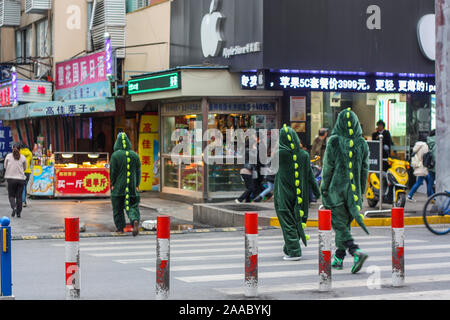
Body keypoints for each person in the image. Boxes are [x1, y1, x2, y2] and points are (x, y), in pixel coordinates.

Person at [321, 108, 370, 274]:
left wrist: (324, 190)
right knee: (345, 225)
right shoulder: (362, 143)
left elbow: (328, 169)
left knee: (339, 225)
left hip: (336, 192)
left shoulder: (333, 141)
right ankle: (339, 258)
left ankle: (355, 251)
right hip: (354, 193)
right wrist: (360, 194)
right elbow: (364, 171)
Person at [274, 124, 320, 261]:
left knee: (287, 221)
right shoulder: (304, 155)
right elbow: (311, 177)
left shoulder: (279, 155)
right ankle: (289, 247)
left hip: (283, 195)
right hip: (301, 196)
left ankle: (294, 251)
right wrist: (317, 193)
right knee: (297, 221)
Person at [110, 132, 141, 236]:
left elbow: (113, 172)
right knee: (132, 205)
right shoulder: (135, 155)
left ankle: (120, 228)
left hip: (118, 187)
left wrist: (113, 183)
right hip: (132, 187)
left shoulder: (115, 155)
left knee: (117, 208)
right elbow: (138, 171)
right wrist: (137, 184)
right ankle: (134, 220)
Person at [4, 143, 27, 218]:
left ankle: (14, 207)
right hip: (21, 179)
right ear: (20, 150)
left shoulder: (8, 156)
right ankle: (18, 213)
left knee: (11, 196)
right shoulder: (23, 157)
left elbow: (5, 166)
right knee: (19, 197)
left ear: (12, 148)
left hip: (10, 179)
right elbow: (25, 168)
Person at [19, 142, 33, 207]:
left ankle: (23, 201)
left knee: (22, 187)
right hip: (28, 172)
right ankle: (24, 201)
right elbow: (31, 163)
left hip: (21, 171)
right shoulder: (30, 153)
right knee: (24, 186)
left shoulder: (19, 153)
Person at [426, 130, 436, 195]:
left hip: (429, 164)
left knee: (430, 181)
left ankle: (430, 196)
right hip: (436, 165)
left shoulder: (428, 141)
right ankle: (433, 196)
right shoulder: (437, 141)